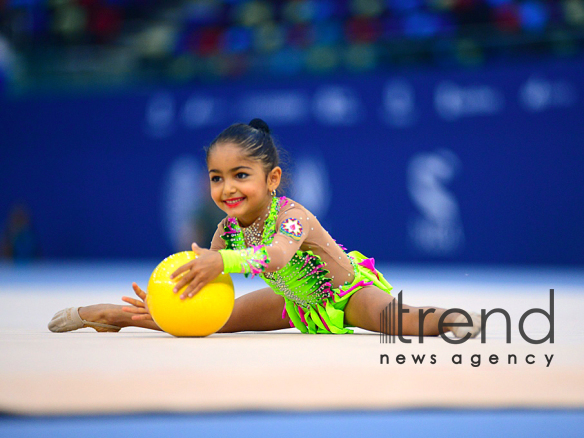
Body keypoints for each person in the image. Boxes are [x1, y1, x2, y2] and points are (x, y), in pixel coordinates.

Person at [49, 119, 481, 339]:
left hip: (346, 293)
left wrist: (219, 258)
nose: (227, 187)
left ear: (271, 179)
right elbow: (207, 297)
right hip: (292, 303)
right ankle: (109, 316)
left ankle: (457, 318)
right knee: (214, 323)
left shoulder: (293, 215)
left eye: (240, 175)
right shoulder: (226, 231)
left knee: (395, 321)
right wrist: (171, 302)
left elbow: (275, 257)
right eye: (217, 178)